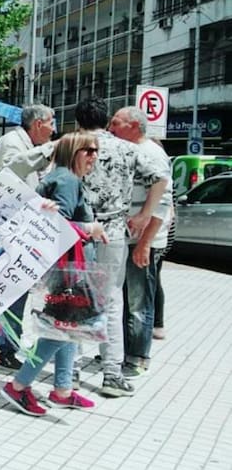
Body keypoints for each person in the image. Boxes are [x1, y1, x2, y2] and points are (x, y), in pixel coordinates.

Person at [0, 132, 107, 416]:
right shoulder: (68, 180)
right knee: (63, 330)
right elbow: (58, 223)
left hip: (61, 266)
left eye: (96, 151)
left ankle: (63, 389)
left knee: (69, 329)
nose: (94, 156)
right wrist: (91, 229)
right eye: (89, 150)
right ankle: (19, 386)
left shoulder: (60, 176)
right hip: (66, 267)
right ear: (73, 150)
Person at [74, 97, 169, 397]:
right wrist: (144, 214)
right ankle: (112, 374)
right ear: (105, 121)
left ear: (78, 121)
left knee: (74, 297)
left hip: (79, 231)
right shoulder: (128, 149)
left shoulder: (71, 145)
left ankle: (70, 370)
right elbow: (160, 178)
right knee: (112, 301)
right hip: (114, 233)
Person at [0, 103, 56, 370]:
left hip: (20, 230)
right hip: (7, 230)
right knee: (11, 289)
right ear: (38, 123)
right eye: (51, 123)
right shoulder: (13, 144)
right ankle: (0, 346)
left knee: (16, 288)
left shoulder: (23, 142)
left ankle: (6, 343)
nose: (53, 130)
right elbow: (16, 172)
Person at [108, 106, 173, 377]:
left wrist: (145, 243)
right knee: (127, 299)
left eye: (116, 123)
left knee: (137, 302)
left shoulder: (150, 154)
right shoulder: (129, 151)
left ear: (134, 126)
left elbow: (163, 202)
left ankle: (136, 357)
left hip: (142, 241)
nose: (111, 129)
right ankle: (126, 352)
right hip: (130, 237)